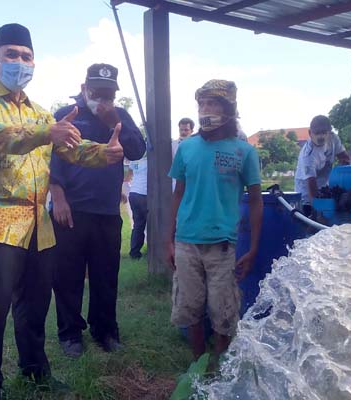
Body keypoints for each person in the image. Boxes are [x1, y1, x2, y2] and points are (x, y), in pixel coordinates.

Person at [0, 23, 124, 400]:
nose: (19, 62)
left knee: (34, 305)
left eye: (26, 56)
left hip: (36, 223)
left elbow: (72, 149)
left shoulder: (38, 111)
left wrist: (105, 154)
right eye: (11, 54)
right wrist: (48, 131)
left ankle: (35, 372)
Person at [49, 63, 146, 358]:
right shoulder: (66, 115)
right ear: (83, 89)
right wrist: (58, 196)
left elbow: (137, 151)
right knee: (68, 275)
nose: (101, 99)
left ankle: (105, 330)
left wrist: (113, 118)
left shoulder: (120, 116)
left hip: (106, 211)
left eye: (107, 94)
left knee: (106, 274)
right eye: (96, 92)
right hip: (71, 209)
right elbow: (49, 159)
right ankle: (70, 334)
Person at [167, 80, 263, 359]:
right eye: (202, 104)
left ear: (229, 110)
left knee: (223, 311)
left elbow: (256, 200)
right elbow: (178, 194)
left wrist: (254, 248)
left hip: (223, 245)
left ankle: (220, 365)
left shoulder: (244, 152)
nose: (206, 109)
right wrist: (167, 239)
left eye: (213, 103)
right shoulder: (187, 148)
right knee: (190, 307)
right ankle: (198, 364)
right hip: (186, 242)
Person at [294, 115, 351, 213]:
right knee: (313, 221)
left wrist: (340, 176)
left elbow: (344, 158)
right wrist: (319, 211)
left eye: (324, 133)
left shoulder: (334, 139)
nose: (320, 137)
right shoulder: (308, 155)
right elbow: (311, 186)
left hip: (325, 189)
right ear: (310, 133)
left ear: (330, 132)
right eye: (317, 133)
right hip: (307, 196)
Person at [127, 154, 148, 260]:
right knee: (153, 225)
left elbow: (129, 176)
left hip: (133, 193)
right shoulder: (149, 161)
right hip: (145, 194)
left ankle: (134, 252)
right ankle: (154, 250)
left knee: (138, 225)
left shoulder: (134, 159)